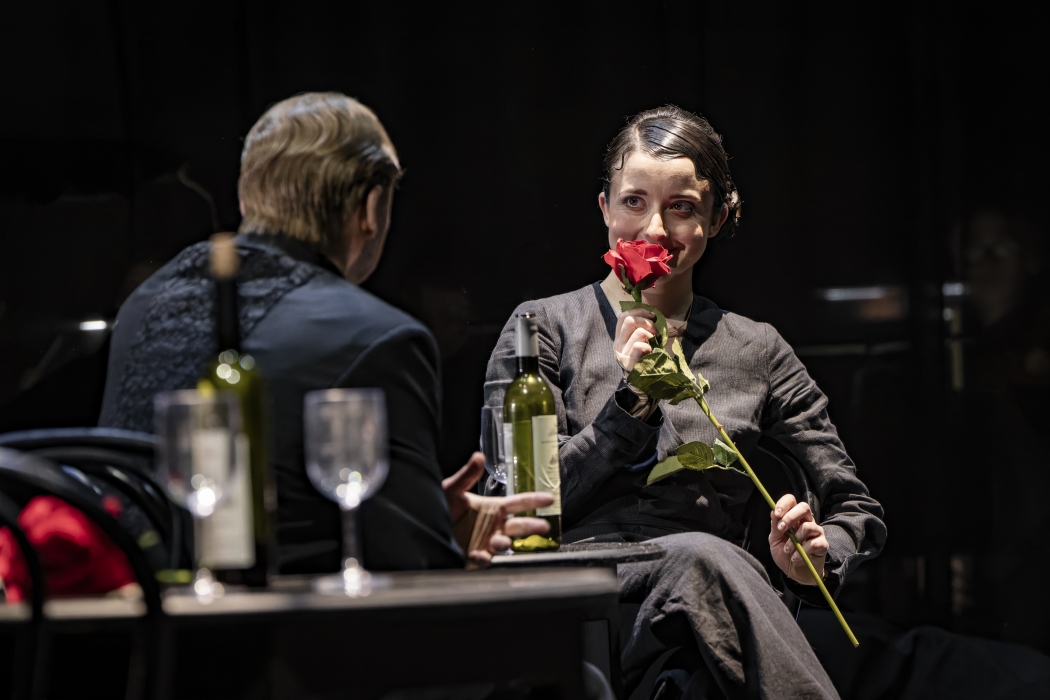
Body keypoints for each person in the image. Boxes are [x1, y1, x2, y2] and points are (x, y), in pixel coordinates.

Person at [484, 106, 887, 699]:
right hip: (581, 590)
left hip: (707, 607)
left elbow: (855, 504)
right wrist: (630, 405)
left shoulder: (756, 348)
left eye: (681, 207)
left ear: (716, 219)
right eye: (633, 201)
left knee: (696, 649)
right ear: (604, 208)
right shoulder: (542, 328)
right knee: (701, 559)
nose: (653, 230)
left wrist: (819, 558)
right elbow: (509, 504)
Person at [99, 92, 550, 573]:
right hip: (285, 614)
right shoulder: (381, 337)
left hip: (127, 602)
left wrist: (426, 517)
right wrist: (429, 536)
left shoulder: (142, 305)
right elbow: (414, 570)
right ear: (371, 207)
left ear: (247, 197)